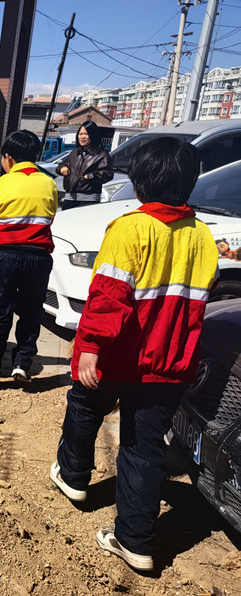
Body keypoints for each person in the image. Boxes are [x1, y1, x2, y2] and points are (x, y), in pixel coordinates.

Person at [50, 138, 219, 572]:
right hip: (170, 364)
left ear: (139, 181)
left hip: (120, 357)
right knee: (143, 450)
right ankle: (135, 542)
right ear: (190, 181)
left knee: (85, 405)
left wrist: (88, 347)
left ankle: (73, 478)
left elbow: (108, 297)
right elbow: (204, 293)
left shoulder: (130, 228)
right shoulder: (202, 236)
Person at [0, 129, 58, 390]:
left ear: (8, 158)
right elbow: (49, 219)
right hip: (39, 257)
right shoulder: (49, 184)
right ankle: (22, 363)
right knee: (31, 311)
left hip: (5, 257)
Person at [55, 121, 113, 210]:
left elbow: (107, 173)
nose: (82, 137)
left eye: (86, 134)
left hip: (88, 200)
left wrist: (88, 177)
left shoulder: (101, 154)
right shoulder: (75, 153)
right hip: (69, 198)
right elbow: (63, 164)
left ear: (93, 135)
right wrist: (62, 168)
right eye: (80, 134)